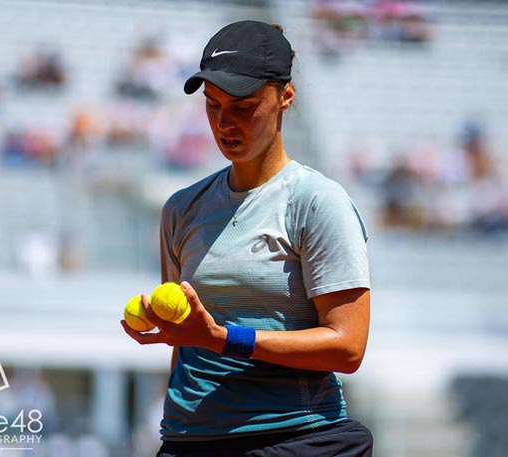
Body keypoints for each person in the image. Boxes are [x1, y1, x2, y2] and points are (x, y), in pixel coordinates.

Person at [121, 20, 372, 457]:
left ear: (285, 97)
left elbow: (347, 347)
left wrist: (223, 339)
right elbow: (188, 343)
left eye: (243, 106)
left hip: (294, 439)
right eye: (212, 105)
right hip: (187, 441)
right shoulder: (181, 209)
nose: (224, 122)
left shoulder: (317, 202)